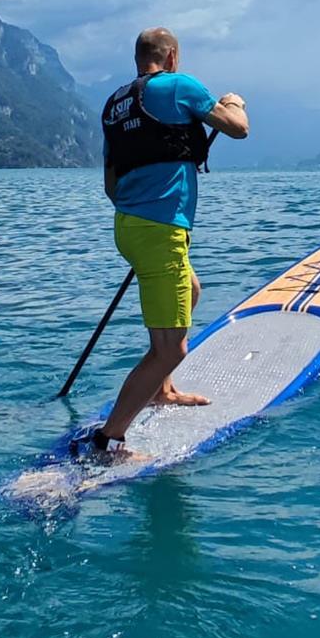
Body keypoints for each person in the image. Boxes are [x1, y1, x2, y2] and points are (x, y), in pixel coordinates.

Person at [81, 27, 249, 457]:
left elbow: (111, 183)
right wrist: (234, 102)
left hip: (129, 227)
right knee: (172, 348)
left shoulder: (116, 105)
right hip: (160, 231)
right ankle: (108, 440)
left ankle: (161, 390)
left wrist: (143, 210)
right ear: (172, 56)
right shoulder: (180, 87)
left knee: (190, 290)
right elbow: (238, 129)